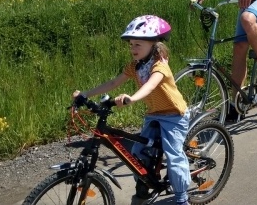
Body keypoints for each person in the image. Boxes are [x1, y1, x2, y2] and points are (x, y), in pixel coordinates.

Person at [72, 15, 191, 205]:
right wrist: (85, 94)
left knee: (174, 155)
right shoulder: (134, 66)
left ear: (153, 44)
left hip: (173, 115)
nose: (133, 49)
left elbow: (151, 86)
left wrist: (131, 98)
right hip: (153, 114)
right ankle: (144, 188)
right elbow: (113, 82)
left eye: (138, 45)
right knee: (138, 151)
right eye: (131, 44)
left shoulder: (160, 65)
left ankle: (182, 198)